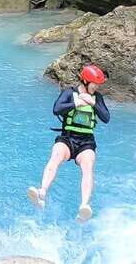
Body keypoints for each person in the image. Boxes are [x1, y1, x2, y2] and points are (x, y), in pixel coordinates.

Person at [27, 64, 110, 222]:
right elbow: (56, 109)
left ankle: (84, 206)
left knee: (88, 166)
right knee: (56, 155)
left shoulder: (97, 98)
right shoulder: (69, 93)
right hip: (68, 138)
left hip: (86, 142)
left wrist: (93, 104)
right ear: (85, 81)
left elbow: (106, 118)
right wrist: (76, 103)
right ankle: (42, 192)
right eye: (95, 84)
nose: (97, 87)